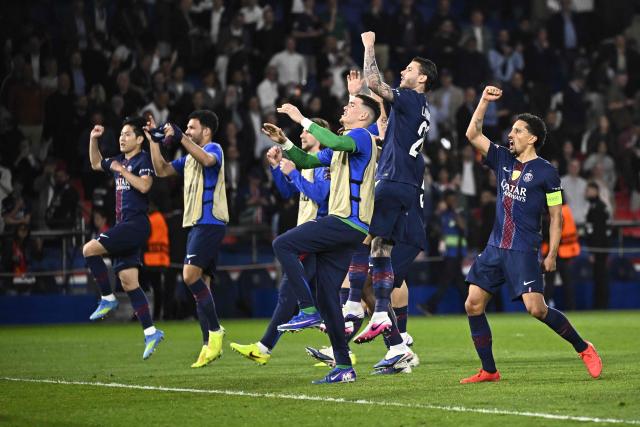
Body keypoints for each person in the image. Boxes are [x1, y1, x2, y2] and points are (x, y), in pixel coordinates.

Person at [460, 85, 602, 384]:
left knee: (535, 309)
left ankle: (583, 347)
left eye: (518, 130)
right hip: (495, 246)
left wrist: (551, 253)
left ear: (532, 138)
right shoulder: (501, 159)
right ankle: (489, 370)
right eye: (511, 130)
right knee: (473, 303)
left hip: (523, 249)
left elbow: (555, 215)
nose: (511, 135)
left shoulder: (547, 173)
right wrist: (484, 101)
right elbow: (473, 134)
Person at [266, 94, 380, 384]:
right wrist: (284, 142)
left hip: (345, 221)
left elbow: (337, 142)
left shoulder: (362, 137)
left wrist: (301, 118)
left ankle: (306, 309)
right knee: (328, 296)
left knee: (283, 244)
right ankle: (344, 367)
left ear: (365, 116)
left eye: (352, 106)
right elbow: (305, 161)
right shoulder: (342, 145)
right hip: (350, 229)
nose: (345, 107)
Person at [342, 32, 437, 371]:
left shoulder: (411, 98)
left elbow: (374, 80)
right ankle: (391, 336)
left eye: (410, 68)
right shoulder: (415, 108)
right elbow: (384, 123)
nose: (404, 71)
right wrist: (360, 96)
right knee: (379, 248)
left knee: (356, 231)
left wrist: (368, 45)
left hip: (393, 185)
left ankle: (354, 307)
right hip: (403, 188)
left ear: (421, 77)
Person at [230, 118, 331, 365]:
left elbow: (320, 194)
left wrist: (293, 173)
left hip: (315, 235)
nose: (302, 135)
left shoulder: (324, 164)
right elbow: (287, 193)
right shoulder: (308, 163)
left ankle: (264, 348)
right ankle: (344, 348)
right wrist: (277, 168)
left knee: (289, 294)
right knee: (321, 296)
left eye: (307, 131)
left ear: (320, 135)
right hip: (308, 234)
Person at [146, 110, 227, 368]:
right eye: (187, 128)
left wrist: (180, 136)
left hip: (209, 222)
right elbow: (161, 170)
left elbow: (207, 160)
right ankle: (207, 345)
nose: (189, 131)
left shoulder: (214, 148)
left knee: (189, 277)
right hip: (196, 225)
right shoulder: (188, 158)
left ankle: (215, 331)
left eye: (192, 128)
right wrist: (152, 140)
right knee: (202, 284)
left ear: (206, 131)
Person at [83, 117, 164, 360]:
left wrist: (122, 172)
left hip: (136, 224)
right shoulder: (118, 161)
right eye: (120, 134)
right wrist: (93, 139)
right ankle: (151, 332)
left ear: (140, 139)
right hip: (124, 225)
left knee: (89, 250)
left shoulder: (143, 160)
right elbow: (96, 163)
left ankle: (107, 297)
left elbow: (144, 186)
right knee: (129, 283)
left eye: (127, 134)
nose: (122, 138)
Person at [542, 195, 580, 310]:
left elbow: (550, 233)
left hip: (554, 253)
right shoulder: (566, 211)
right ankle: (571, 308)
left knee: (549, 284)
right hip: (566, 252)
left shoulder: (554, 214)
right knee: (568, 284)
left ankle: (544, 308)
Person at [584, 182, 610, 309]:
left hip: (599, 249)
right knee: (599, 277)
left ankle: (601, 305)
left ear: (595, 191)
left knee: (600, 277)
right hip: (599, 248)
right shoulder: (595, 206)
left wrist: (594, 251)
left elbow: (599, 232)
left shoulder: (598, 207)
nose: (587, 193)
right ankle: (600, 304)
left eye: (589, 190)